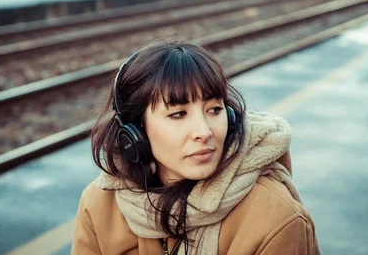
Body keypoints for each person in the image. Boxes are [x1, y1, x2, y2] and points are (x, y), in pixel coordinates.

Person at [72, 40, 320, 254]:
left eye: (214, 110)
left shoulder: (274, 218)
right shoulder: (99, 205)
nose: (204, 132)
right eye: (178, 114)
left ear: (231, 117)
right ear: (135, 133)